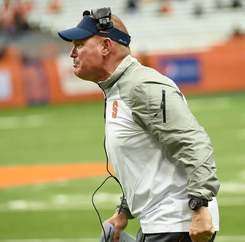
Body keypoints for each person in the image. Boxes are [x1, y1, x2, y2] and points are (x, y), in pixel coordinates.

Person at [58, 7, 220, 242]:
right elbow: (142, 162)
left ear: (105, 46)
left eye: (80, 44)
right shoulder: (119, 87)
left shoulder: (140, 86)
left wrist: (200, 207)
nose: (72, 53)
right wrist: (123, 212)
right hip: (159, 223)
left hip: (177, 223)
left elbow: (193, 142)